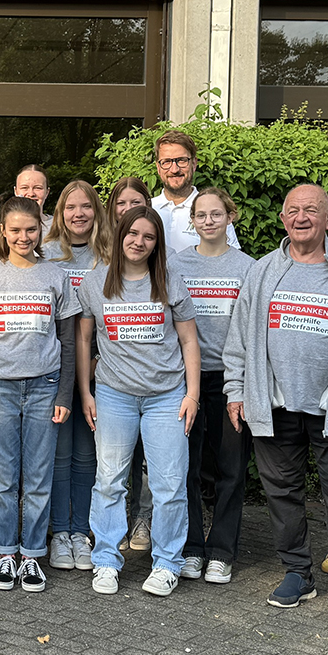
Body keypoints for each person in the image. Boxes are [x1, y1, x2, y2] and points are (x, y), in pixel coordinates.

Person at [223, 183, 328, 626]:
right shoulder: (261, 272)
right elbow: (238, 340)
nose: (301, 218)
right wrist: (236, 390)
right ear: (282, 219)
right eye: (293, 211)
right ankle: (298, 572)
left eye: (311, 211)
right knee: (281, 494)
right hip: (274, 404)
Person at [77, 206, 200, 597]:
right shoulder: (96, 282)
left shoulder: (168, 279)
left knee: (168, 485)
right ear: (119, 235)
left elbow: (189, 340)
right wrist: (85, 392)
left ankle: (167, 563)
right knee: (110, 480)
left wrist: (193, 394)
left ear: (156, 243)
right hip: (114, 395)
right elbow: (83, 339)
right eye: (133, 234)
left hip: (167, 397)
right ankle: (106, 560)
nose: (139, 242)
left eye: (148, 236)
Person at [0, 197, 79, 593]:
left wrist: (64, 394)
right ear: (2, 230)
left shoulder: (56, 276)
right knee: (2, 477)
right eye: (15, 230)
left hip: (45, 387)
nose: (23, 237)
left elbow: (67, 340)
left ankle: (32, 555)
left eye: (30, 230)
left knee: (37, 476)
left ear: (41, 231)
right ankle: (4, 554)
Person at [168, 188, 255, 585]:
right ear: (193, 221)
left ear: (229, 217)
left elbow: (254, 330)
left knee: (230, 468)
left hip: (232, 379)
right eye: (200, 215)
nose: (207, 221)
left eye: (215, 214)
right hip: (185, 379)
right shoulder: (176, 265)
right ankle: (190, 546)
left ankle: (221, 550)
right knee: (184, 466)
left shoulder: (249, 268)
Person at [42, 180, 111, 571]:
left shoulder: (109, 254)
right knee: (57, 455)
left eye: (86, 206)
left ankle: (82, 532)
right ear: (60, 212)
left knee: (88, 457)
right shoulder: (45, 254)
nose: (79, 213)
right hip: (53, 369)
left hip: (100, 370)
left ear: (96, 211)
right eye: (71, 207)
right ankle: (58, 533)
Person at [105, 176, 155, 552]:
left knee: (151, 466)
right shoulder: (99, 256)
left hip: (155, 383)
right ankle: (109, 529)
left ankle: (144, 521)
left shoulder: (159, 267)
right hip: (110, 377)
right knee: (111, 466)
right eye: (121, 204)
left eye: (135, 202)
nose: (127, 210)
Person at [150, 131, 240, 254]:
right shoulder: (147, 208)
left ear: (194, 163)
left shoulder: (213, 210)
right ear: (158, 168)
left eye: (181, 160)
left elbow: (231, 260)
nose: (174, 169)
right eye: (166, 162)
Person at [15, 164, 53, 235]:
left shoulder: (59, 226)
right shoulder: (5, 228)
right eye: (24, 188)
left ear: (47, 192)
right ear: (16, 191)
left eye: (38, 188)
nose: (31, 193)